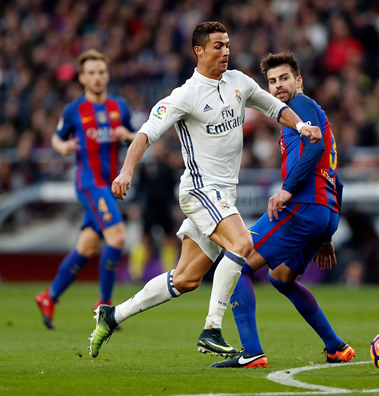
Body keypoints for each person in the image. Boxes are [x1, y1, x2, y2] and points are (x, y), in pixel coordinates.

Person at [87, 21, 322, 358]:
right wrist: (126, 171)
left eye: (227, 44)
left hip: (224, 195)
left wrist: (300, 125)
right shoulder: (186, 95)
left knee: (185, 279)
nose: (225, 51)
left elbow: (274, 107)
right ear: (198, 50)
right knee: (243, 244)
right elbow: (145, 134)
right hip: (200, 190)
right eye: (217, 46)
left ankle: (113, 315)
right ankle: (211, 328)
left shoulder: (239, 82)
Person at [205, 53, 355, 368]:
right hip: (323, 213)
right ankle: (336, 347)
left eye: (284, 78)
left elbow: (313, 148)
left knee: (236, 264)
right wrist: (327, 232)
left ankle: (252, 352)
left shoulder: (300, 107)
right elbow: (336, 180)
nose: (278, 86)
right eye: (272, 81)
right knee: (282, 278)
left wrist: (287, 190)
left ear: (298, 81)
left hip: (302, 207)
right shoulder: (314, 113)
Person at [35, 49, 136, 329]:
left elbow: (135, 136)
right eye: (91, 73)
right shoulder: (73, 110)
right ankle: (104, 305)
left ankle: (49, 296)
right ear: (82, 77)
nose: (96, 77)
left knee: (87, 246)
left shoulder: (120, 107)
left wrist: (126, 135)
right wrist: (63, 147)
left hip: (110, 184)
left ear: (107, 74)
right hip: (89, 183)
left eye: (101, 72)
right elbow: (57, 138)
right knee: (116, 238)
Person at [128, 139, 180, 281]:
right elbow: (139, 189)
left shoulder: (169, 168)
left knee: (169, 239)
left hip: (165, 208)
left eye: (160, 146)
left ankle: (170, 273)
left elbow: (174, 190)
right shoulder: (146, 168)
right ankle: (135, 274)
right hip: (149, 208)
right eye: (156, 146)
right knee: (144, 239)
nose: (158, 149)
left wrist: (176, 207)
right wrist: (136, 205)